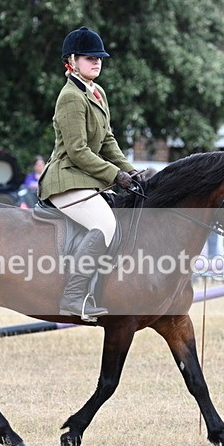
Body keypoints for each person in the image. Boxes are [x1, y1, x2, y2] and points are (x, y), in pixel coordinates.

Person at [38, 26, 136, 321]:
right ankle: (72, 297)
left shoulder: (97, 92)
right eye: (89, 57)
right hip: (65, 178)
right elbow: (78, 151)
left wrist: (130, 170)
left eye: (99, 57)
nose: (96, 62)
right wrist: (115, 175)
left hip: (85, 179)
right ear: (71, 61)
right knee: (104, 224)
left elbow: (107, 141)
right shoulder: (70, 96)